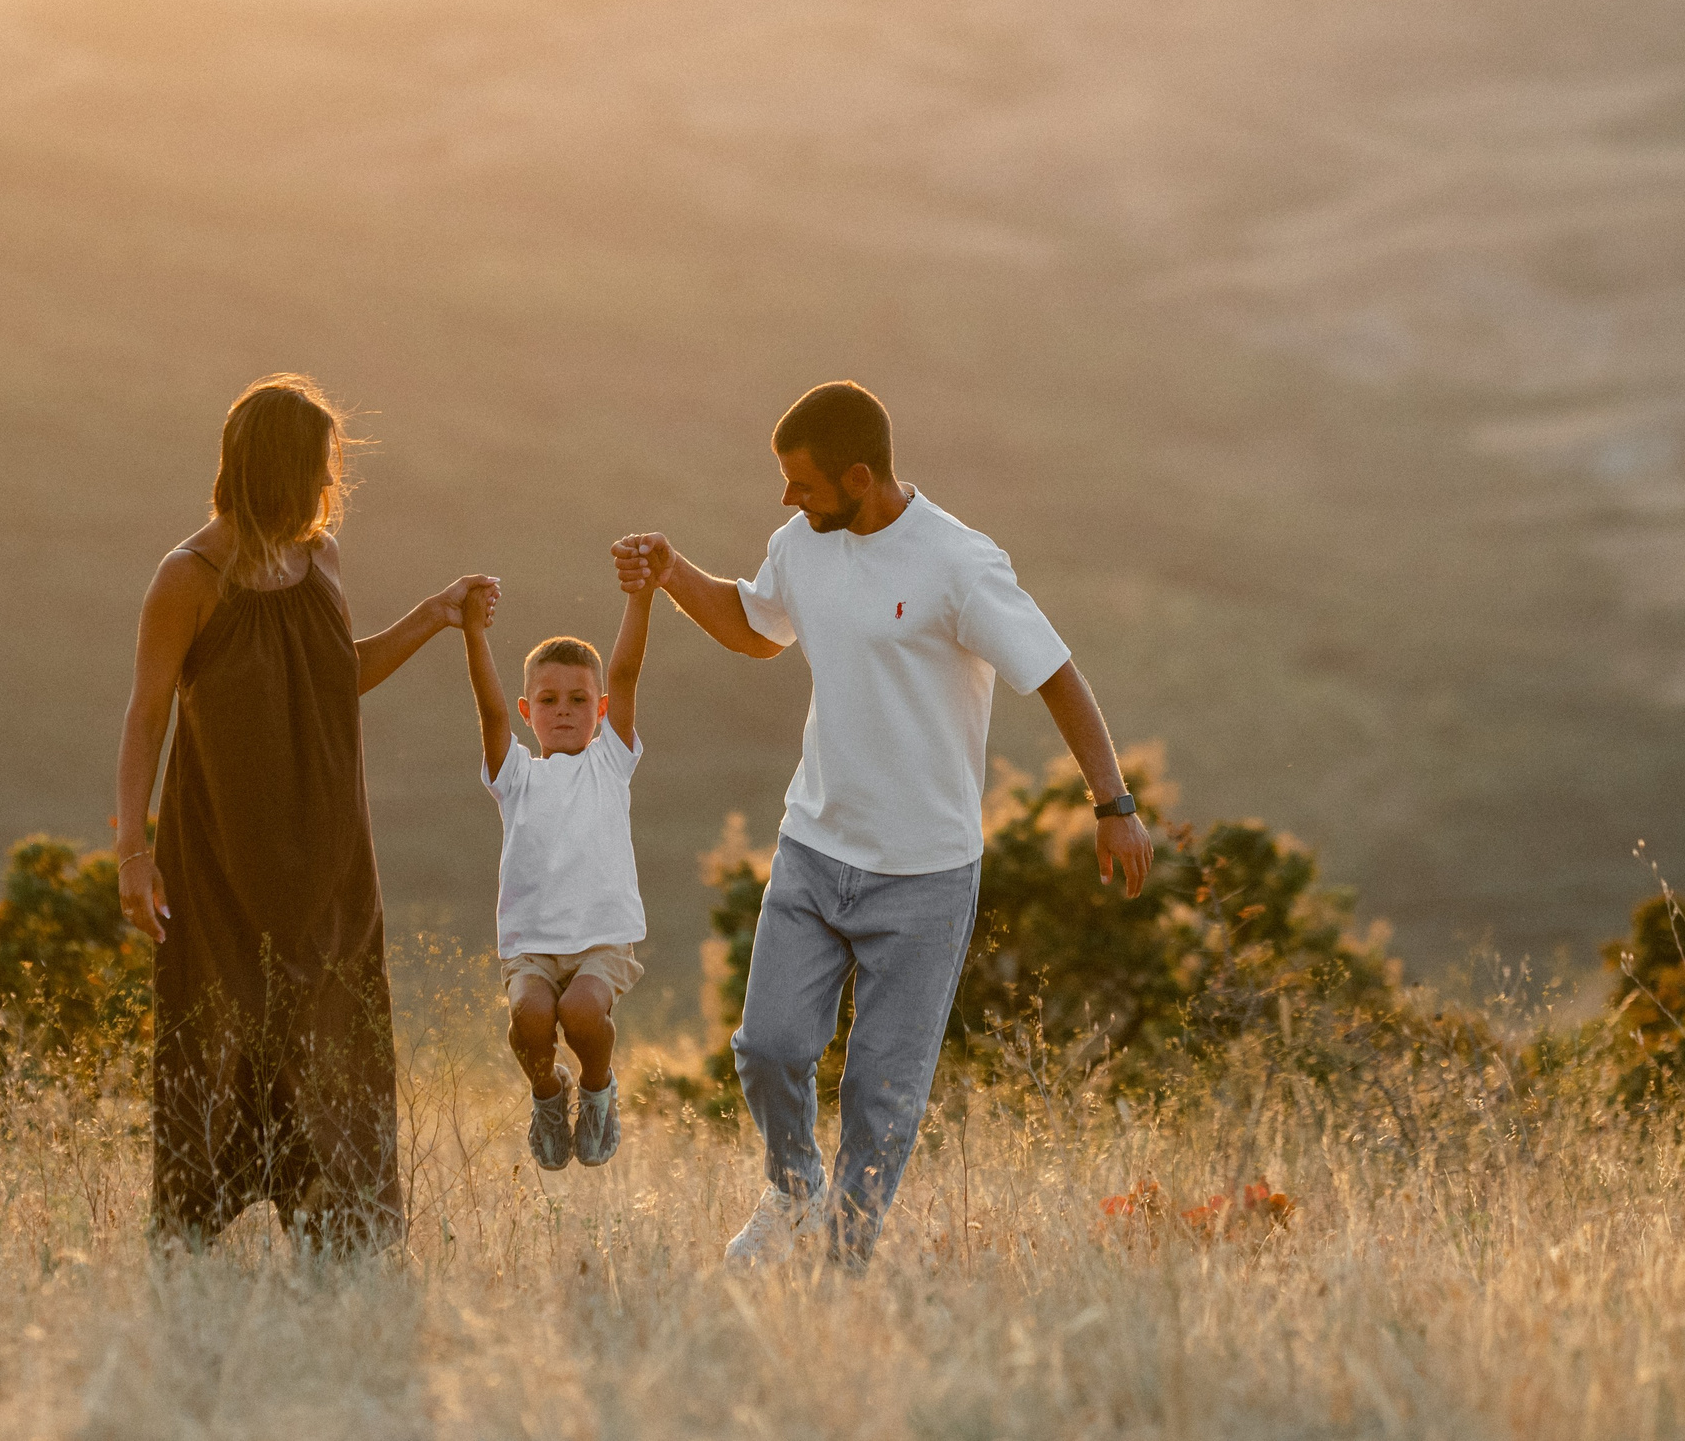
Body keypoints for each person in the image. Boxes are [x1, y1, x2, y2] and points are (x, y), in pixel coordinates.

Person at [612, 380, 1154, 1269]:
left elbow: (1057, 674)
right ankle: (792, 1194)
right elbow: (755, 629)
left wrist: (1114, 804)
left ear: (860, 476)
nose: (788, 500)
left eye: (804, 484)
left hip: (926, 876)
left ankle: (844, 1269)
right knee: (769, 1047)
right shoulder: (803, 543)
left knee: (882, 1093)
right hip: (814, 847)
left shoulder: (959, 563)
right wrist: (673, 572)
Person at [113, 373, 499, 1252]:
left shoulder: (320, 556)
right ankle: (192, 1236)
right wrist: (134, 853)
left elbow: (335, 675)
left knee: (335, 1047)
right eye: (322, 468)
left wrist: (434, 616)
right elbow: (144, 717)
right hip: (220, 859)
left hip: (329, 855)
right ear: (275, 470)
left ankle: (342, 1232)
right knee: (218, 1036)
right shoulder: (188, 576)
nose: (332, 486)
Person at [460, 574, 656, 1171]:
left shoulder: (610, 761)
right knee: (530, 1017)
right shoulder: (516, 776)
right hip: (531, 948)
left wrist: (640, 595)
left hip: (601, 940)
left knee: (580, 1012)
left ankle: (597, 1090)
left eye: (578, 701)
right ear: (529, 711)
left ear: (599, 711)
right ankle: (548, 1095)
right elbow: (491, 712)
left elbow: (623, 673)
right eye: (547, 701)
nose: (564, 712)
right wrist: (472, 630)